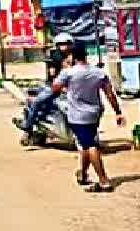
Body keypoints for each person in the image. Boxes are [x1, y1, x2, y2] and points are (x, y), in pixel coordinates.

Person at [51, 48, 125, 193]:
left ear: (72, 56)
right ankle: (83, 174)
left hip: (77, 116)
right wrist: (117, 112)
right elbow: (110, 93)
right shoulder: (99, 73)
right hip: (94, 113)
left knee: (90, 144)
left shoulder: (69, 73)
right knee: (85, 143)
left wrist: (64, 74)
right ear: (86, 55)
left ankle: (103, 181)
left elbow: (54, 88)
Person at [19, 33, 78, 141]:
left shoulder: (76, 55)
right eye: (62, 44)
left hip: (73, 88)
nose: (65, 46)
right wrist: (60, 85)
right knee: (38, 101)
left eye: (67, 44)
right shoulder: (55, 57)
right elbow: (53, 75)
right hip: (54, 87)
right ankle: (28, 127)